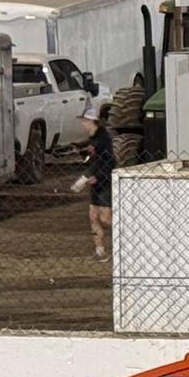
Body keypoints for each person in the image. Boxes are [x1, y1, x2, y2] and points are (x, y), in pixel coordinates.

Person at [79, 107, 115, 262]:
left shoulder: (103, 139)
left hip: (104, 182)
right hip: (95, 182)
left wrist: (98, 177)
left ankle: (127, 243)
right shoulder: (92, 138)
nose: (83, 125)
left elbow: (109, 163)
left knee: (106, 219)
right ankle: (100, 252)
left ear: (92, 121)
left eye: (85, 121)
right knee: (93, 217)